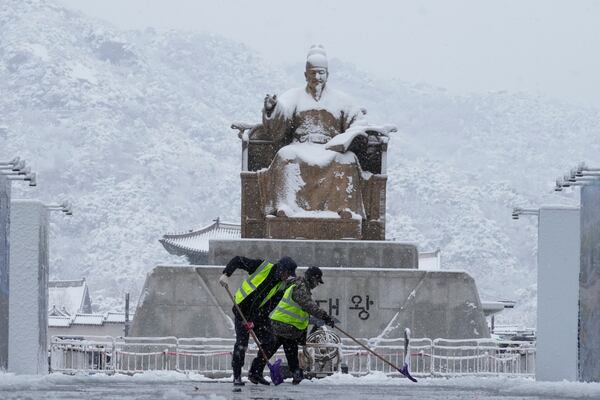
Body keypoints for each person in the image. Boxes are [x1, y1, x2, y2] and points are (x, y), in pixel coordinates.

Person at [257, 45, 374, 220]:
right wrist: (272, 109)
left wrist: (351, 135)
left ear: (327, 75)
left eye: (321, 73)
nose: (317, 77)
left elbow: (358, 121)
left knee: (348, 159)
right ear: (305, 75)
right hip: (301, 146)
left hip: (331, 148)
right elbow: (280, 116)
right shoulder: (294, 96)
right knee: (285, 155)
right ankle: (286, 207)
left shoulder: (342, 100)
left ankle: (345, 209)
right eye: (313, 73)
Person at [248, 266, 335, 385]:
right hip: (283, 325)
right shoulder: (300, 287)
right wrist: (325, 316)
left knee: (283, 350)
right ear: (311, 278)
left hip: (287, 327)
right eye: (316, 281)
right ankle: (259, 373)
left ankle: (258, 372)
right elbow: (308, 305)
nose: (317, 284)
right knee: (275, 349)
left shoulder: (299, 285)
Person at [219, 256, 297, 386]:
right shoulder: (262, 266)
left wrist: (254, 321)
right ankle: (237, 376)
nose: (287, 277)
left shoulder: (282, 286)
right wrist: (226, 274)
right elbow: (238, 260)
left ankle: (255, 372)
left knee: (270, 341)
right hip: (241, 310)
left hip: (258, 315)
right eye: (287, 273)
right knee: (241, 344)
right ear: (281, 269)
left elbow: (270, 306)